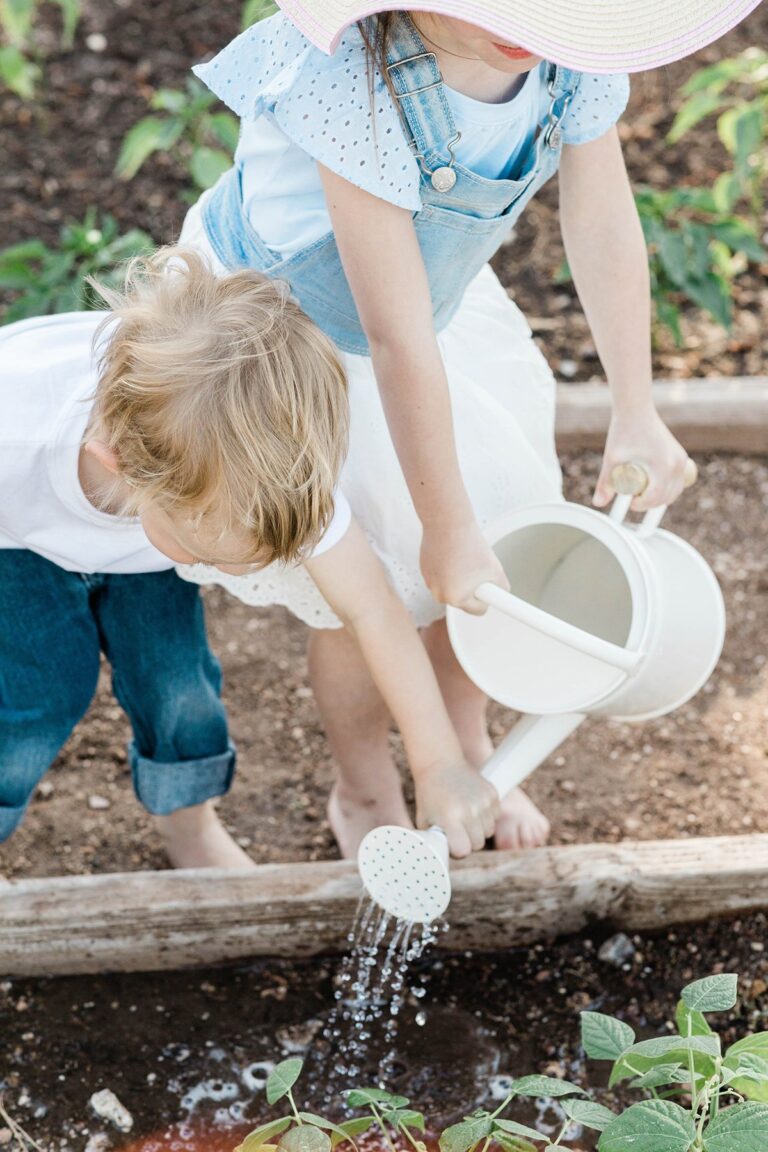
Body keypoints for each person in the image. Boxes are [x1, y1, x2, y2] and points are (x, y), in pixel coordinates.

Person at [180, 0, 753, 854]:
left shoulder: (570, 45)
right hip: (291, 343)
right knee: (370, 589)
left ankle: (468, 743)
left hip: (432, 313)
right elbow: (390, 335)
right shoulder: (354, 77)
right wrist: (441, 532)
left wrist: (635, 407)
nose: (528, 23)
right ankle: (364, 784)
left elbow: (600, 219)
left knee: (488, 558)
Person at [0, 247, 498, 868]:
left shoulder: (265, 469)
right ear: (123, 465)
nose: (237, 575)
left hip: (146, 551)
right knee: (32, 699)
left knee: (180, 693)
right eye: (218, 554)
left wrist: (439, 762)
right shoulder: (13, 435)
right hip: (15, 542)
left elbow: (372, 607)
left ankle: (190, 826)